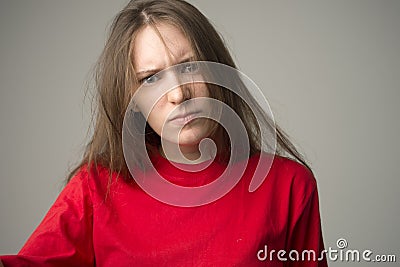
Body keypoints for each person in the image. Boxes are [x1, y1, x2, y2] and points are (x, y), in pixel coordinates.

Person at [0, 0, 328, 266]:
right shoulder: (96, 187)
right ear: (132, 101)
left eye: (188, 66)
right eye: (151, 78)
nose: (178, 94)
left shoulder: (289, 187)